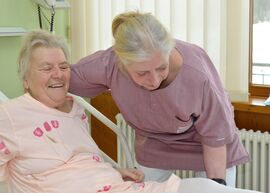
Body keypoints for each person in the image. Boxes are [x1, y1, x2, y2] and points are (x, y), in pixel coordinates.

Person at [0, 31, 262, 193]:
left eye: (63, 66)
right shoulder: (9, 116)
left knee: (210, 189)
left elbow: (81, 157)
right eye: (46, 68)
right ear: (24, 78)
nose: (58, 74)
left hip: (120, 183)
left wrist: (114, 171)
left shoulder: (74, 108)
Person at [69, 11, 250, 187]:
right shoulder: (108, 64)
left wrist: (217, 185)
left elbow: (215, 134)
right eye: (142, 73)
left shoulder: (197, 73)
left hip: (206, 144)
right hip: (154, 144)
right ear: (121, 62)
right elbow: (62, 80)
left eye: (162, 67)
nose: (154, 80)